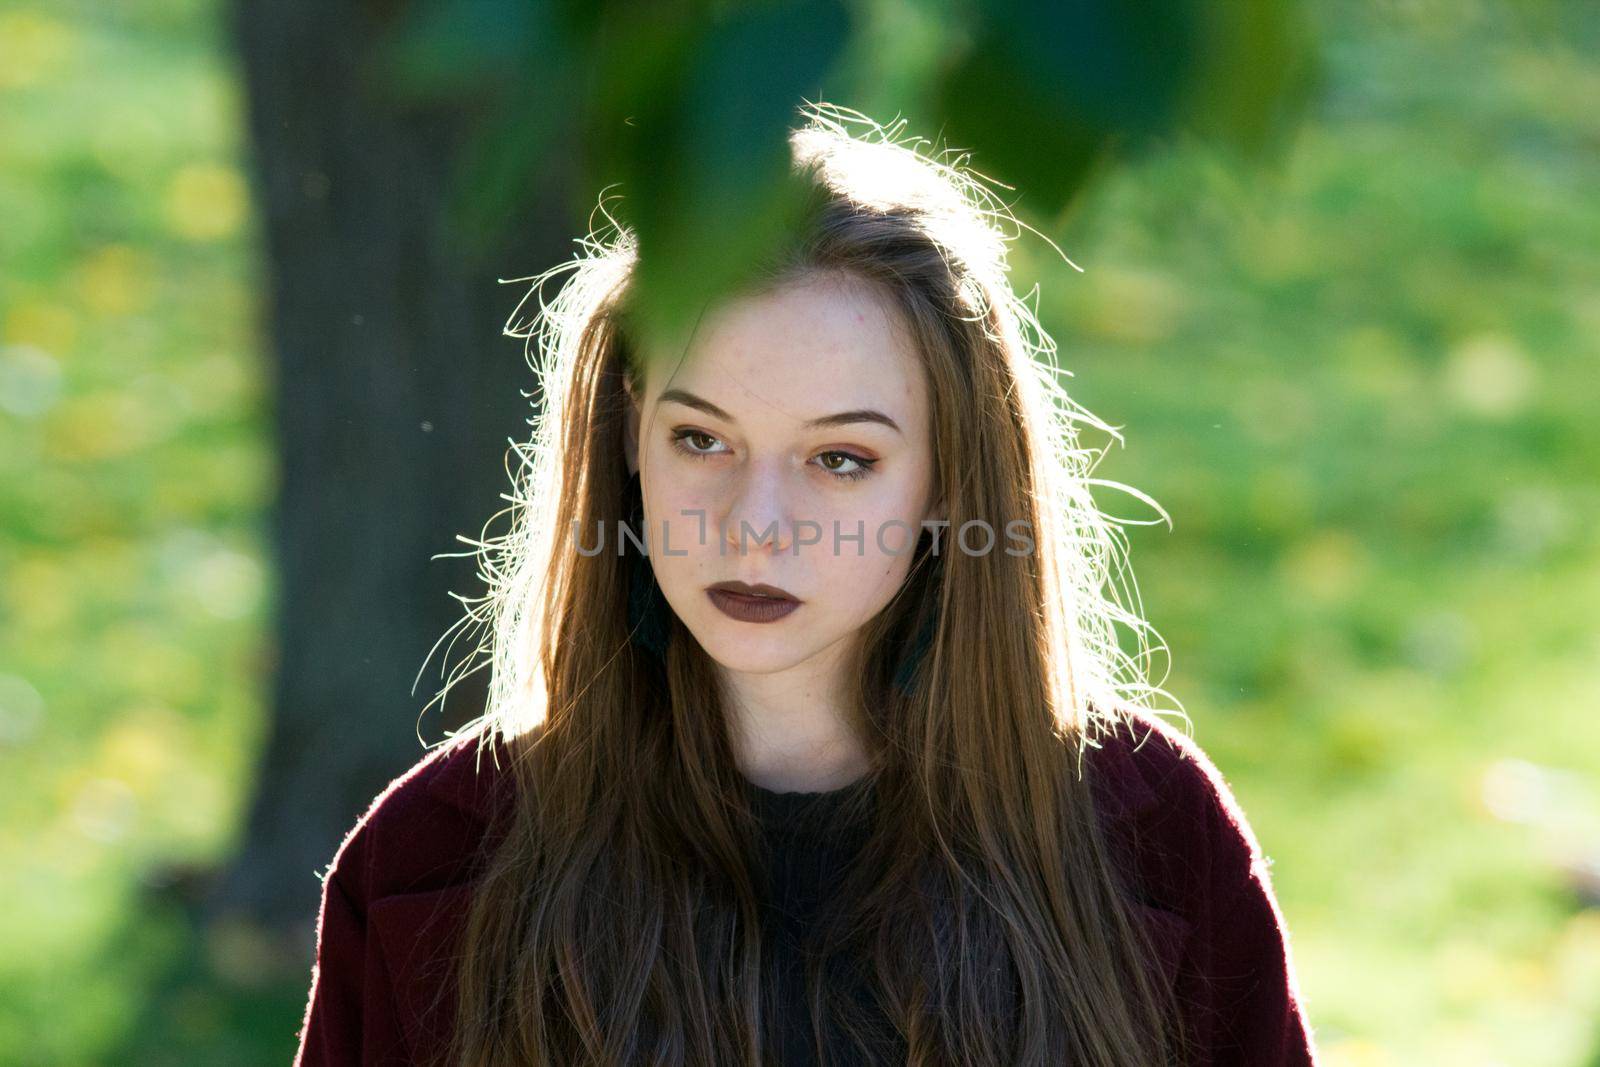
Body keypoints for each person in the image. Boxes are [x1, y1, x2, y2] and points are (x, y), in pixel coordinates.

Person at [291, 101, 1320, 1066]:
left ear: (948, 475)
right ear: (630, 436)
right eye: (701, 438)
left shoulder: (1146, 839)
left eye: (840, 458)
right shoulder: (434, 861)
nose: (753, 524)